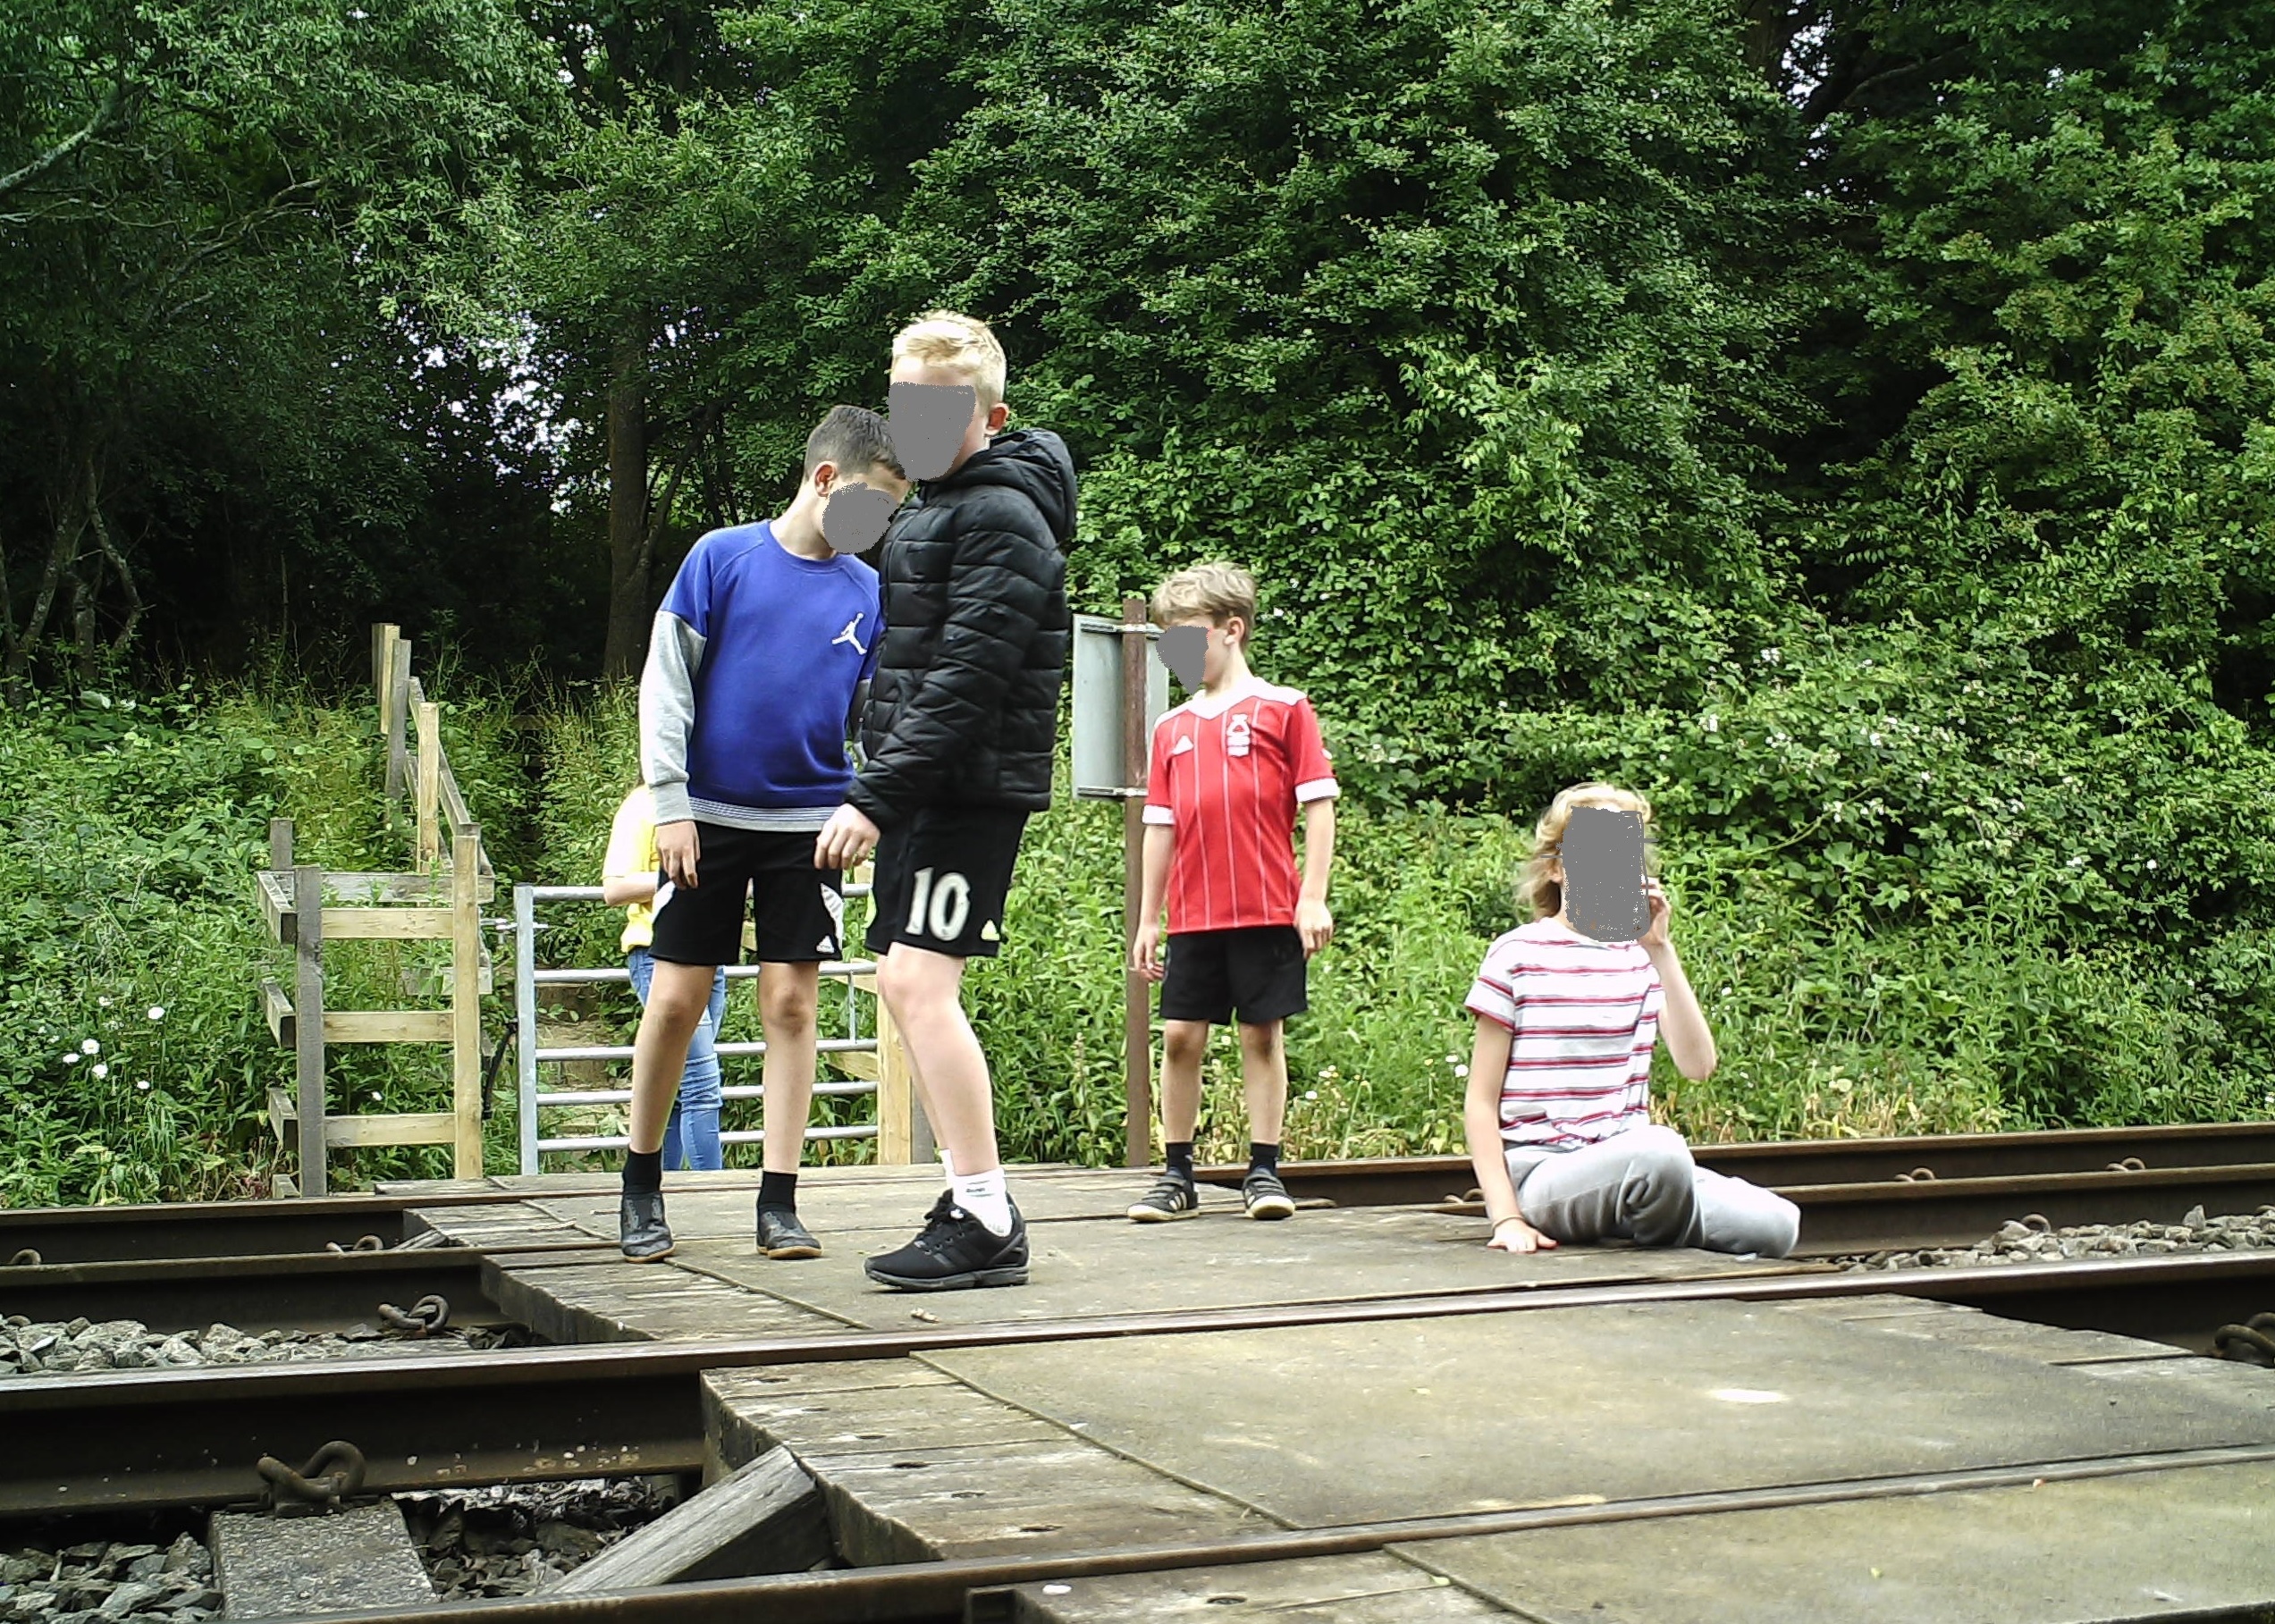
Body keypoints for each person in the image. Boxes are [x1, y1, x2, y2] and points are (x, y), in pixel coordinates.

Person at [813, 309, 1074, 1292]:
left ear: (989, 416)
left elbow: (967, 676)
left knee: (920, 985)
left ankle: (985, 1210)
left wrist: (874, 796)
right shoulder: (940, 507)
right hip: (927, 785)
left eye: (941, 408)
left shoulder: (1002, 516)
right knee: (901, 983)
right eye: (905, 404)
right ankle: (970, 1197)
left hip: (964, 791)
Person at [619, 405, 909, 1265]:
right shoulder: (722, 557)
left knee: (790, 1004)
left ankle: (778, 1201)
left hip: (809, 826)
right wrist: (670, 802)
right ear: (825, 479)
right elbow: (665, 684)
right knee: (676, 1000)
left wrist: (871, 803)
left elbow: (874, 719)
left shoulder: (869, 591)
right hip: (704, 817)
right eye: (875, 503)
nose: (881, 523)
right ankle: (640, 1183)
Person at [1461, 783, 1801, 1259]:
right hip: (1546, 1174)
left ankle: (1642, 1223)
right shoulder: (1516, 953)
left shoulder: (1638, 956)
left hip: (1632, 1165)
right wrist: (1507, 1218)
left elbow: (1698, 1065)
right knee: (1661, 1153)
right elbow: (1480, 1102)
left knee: (1778, 1224)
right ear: (1557, 867)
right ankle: (1665, 1239)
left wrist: (1660, 948)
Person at [1127, 562, 1338, 1222]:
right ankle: (1176, 1174)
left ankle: (1264, 1170)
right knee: (1179, 1036)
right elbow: (1159, 826)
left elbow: (1319, 805)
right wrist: (1148, 919)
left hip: (1267, 905)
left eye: (1186, 636)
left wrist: (1312, 896)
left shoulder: (1285, 708)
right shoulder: (1171, 728)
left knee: (1260, 1034)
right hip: (1193, 912)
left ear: (1231, 630)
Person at [602, 781, 726, 1174]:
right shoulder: (642, 806)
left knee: (676, 1082)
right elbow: (615, 887)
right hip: (658, 953)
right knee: (702, 1084)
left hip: (710, 954)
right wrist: (679, 874)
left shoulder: (714, 799)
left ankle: (661, 1185)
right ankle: (714, 1191)